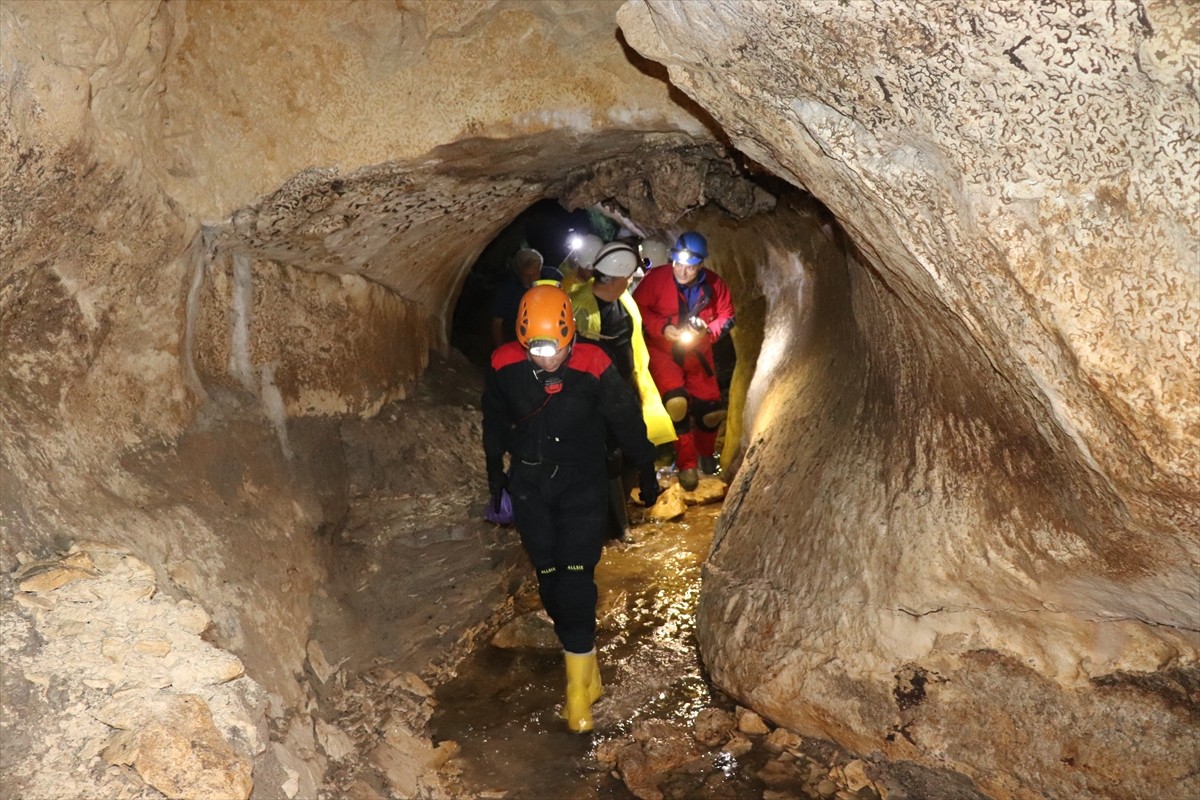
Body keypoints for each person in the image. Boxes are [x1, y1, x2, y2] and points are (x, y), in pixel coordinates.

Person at [482, 285, 662, 733]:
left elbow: (625, 418)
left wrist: (647, 468)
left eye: (557, 349)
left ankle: (576, 693)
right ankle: (586, 665)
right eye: (538, 351)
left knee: (577, 579)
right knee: (549, 580)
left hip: (582, 484)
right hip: (530, 486)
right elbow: (493, 422)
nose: (548, 360)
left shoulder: (595, 364)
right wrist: (495, 480)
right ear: (523, 342)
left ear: (572, 336)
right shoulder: (504, 365)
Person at [569, 241, 675, 537]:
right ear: (617, 278)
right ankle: (610, 528)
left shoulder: (624, 300)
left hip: (627, 388)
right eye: (628, 276)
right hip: (593, 396)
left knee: (630, 449)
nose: (631, 280)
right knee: (607, 457)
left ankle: (620, 516)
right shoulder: (577, 304)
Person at [632, 231, 736, 491]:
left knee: (709, 410)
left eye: (689, 267)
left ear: (700, 264)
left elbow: (727, 316)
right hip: (663, 351)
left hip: (698, 353)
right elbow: (638, 309)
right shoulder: (656, 279)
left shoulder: (714, 285)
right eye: (678, 263)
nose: (682, 271)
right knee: (676, 405)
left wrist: (707, 330)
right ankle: (686, 463)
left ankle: (706, 452)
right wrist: (663, 327)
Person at [489, 248, 544, 348]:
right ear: (518, 272)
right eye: (527, 276)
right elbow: (496, 323)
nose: (531, 279)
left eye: (535, 274)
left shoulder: (553, 279)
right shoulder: (506, 290)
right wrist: (502, 350)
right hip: (518, 339)